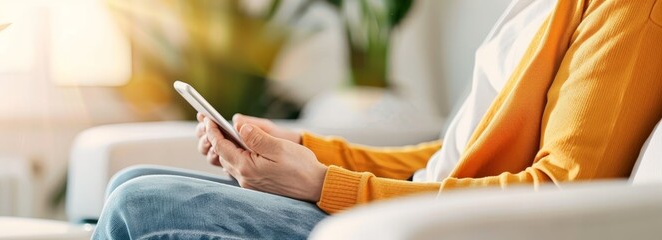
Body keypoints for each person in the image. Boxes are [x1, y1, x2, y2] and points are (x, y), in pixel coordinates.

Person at [92, 0, 662, 239]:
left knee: (140, 206)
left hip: (441, 229)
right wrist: (307, 149)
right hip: (421, 202)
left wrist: (322, 184)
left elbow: (560, 192)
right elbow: (450, 160)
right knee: (130, 181)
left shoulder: (629, 9)